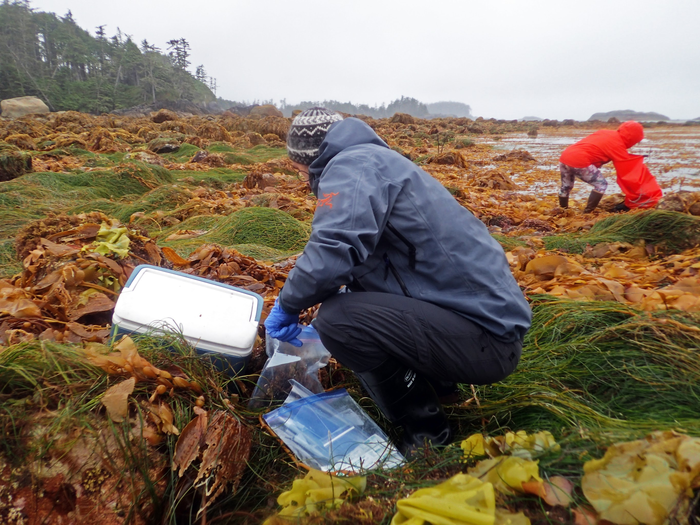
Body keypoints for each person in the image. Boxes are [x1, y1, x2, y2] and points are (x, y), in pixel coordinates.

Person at [264, 107, 532, 453]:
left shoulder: (352, 166)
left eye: (299, 170)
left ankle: (426, 434)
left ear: (310, 158)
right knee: (350, 301)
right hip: (483, 324)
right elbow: (381, 260)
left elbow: (331, 253)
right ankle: (440, 387)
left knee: (338, 320)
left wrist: (287, 306)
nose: (302, 180)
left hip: (488, 340)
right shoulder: (376, 161)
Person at [557, 120, 662, 213]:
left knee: (566, 187)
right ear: (632, 138)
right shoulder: (618, 144)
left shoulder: (604, 132)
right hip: (580, 160)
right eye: (636, 141)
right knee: (601, 185)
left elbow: (594, 146)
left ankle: (563, 211)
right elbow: (627, 167)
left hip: (565, 156)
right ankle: (587, 213)